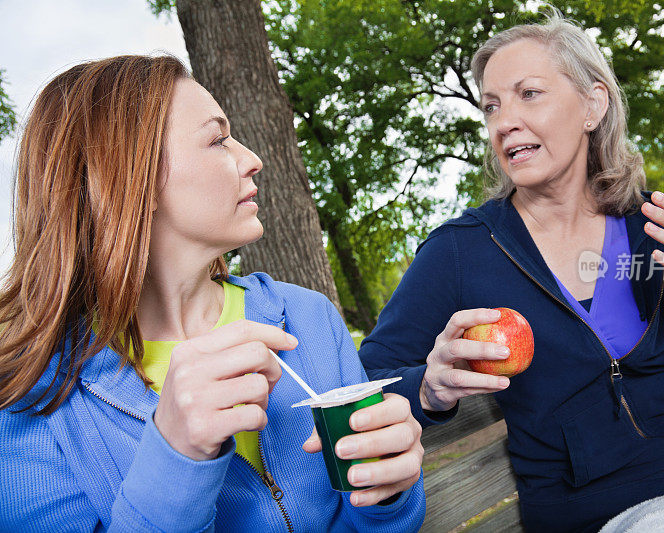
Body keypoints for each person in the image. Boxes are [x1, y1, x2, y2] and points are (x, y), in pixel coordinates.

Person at [359, 12, 664, 532]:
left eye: (529, 94)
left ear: (593, 104)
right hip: (604, 517)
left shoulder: (660, 229)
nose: (503, 122)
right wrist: (428, 388)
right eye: (492, 106)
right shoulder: (461, 251)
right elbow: (367, 380)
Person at [0, 55, 425, 532]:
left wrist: (388, 494)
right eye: (219, 139)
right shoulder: (32, 392)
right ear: (128, 177)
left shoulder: (309, 317)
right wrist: (176, 457)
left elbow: (377, 523)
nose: (252, 159)